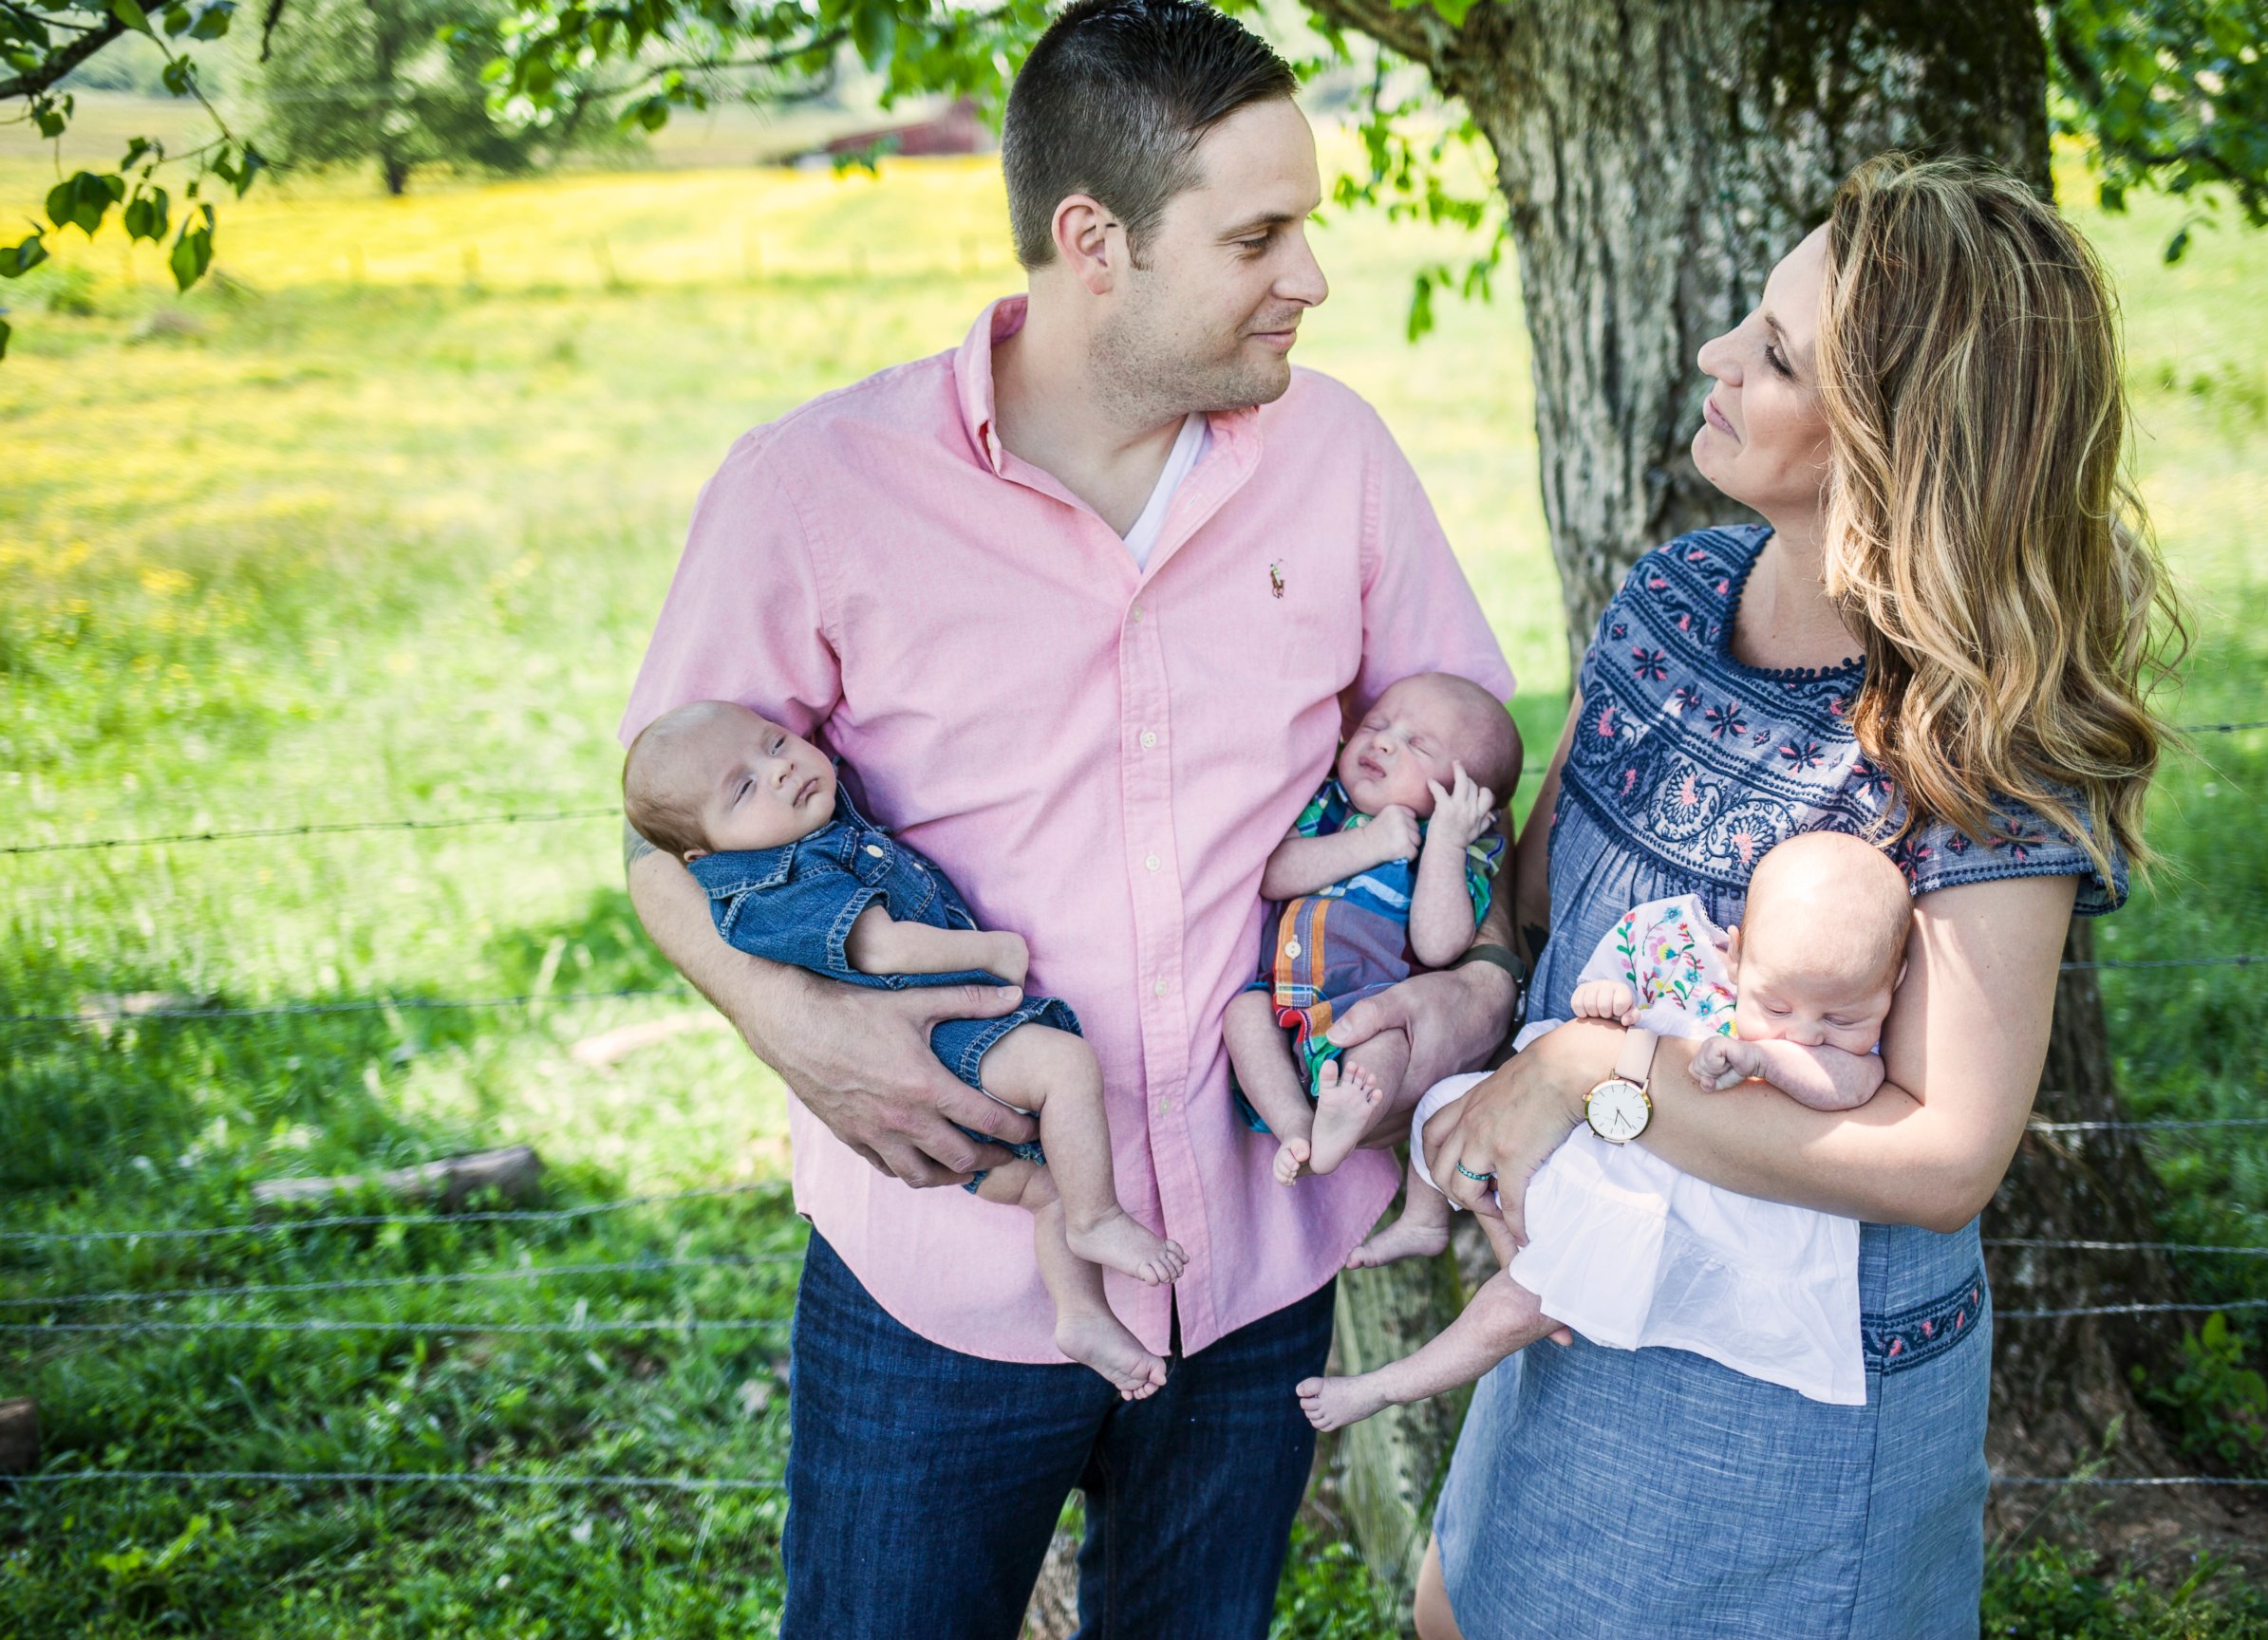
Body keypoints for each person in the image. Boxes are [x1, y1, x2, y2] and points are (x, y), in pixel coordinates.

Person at [615, 3, 1519, 1633]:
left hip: (1250, 1270)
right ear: (1093, 240)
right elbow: (661, 840)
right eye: (1257, 236)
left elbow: (1471, 776)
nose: (1307, 277)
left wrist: (1466, 987)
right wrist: (791, 1029)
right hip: (944, 1268)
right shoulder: (810, 490)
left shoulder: (1340, 460)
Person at [1414, 153, 2180, 1638]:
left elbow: (1945, 1156)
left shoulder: (1975, 747)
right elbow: (1529, 917)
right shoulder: (1666, 604)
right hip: (1577, 1316)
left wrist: (1593, 1074)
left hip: (1789, 1396)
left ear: (1893, 446)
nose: (1717, 356)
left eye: (1773, 354)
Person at [623, 699, 1189, 1397]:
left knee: (1046, 1194)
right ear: (702, 857)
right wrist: (990, 949)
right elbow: (881, 943)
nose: (778, 772)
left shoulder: (812, 828)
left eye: (776, 744)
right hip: (929, 1042)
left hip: (942, 1049)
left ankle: (1080, 1315)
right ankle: (1101, 1218)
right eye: (742, 789)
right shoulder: (785, 881)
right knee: (1063, 1066)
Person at [1296, 831, 1911, 1433]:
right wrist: (1607, 998)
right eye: (1776, 1009)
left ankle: (1385, 1386)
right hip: (1581, 1134)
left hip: (1646, 1204)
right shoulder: (1678, 952)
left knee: (1521, 1306)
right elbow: (1601, 995)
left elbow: (1854, 1082)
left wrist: (1765, 1060)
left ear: (1895, 984)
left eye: (1842, 1019)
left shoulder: (1835, 1052)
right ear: (1736, 953)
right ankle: (1424, 1220)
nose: (1802, 1034)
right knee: (1442, 1106)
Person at [1222, 671, 1521, 1185]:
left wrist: (1445, 844)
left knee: (1387, 1042)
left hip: (1372, 1009)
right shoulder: (1326, 805)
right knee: (1242, 1015)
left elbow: (1439, 942)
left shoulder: (1451, 850)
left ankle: (1344, 1119)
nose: (1382, 739)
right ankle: (1296, 1123)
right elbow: (1273, 874)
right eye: (1377, 723)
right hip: (1282, 1003)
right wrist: (1371, 844)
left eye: (1416, 745)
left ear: (1463, 796)